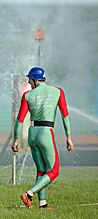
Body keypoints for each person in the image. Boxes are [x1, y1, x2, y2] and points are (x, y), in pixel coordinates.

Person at [11, 67, 74, 210]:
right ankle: (29, 194)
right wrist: (68, 136)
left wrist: (15, 140)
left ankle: (43, 204)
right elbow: (65, 116)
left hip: (32, 133)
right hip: (46, 132)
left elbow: (19, 120)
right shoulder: (58, 91)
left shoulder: (27, 95)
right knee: (54, 171)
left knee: (41, 170)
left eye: (30, 80)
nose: (29, 83)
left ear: (35, 80)